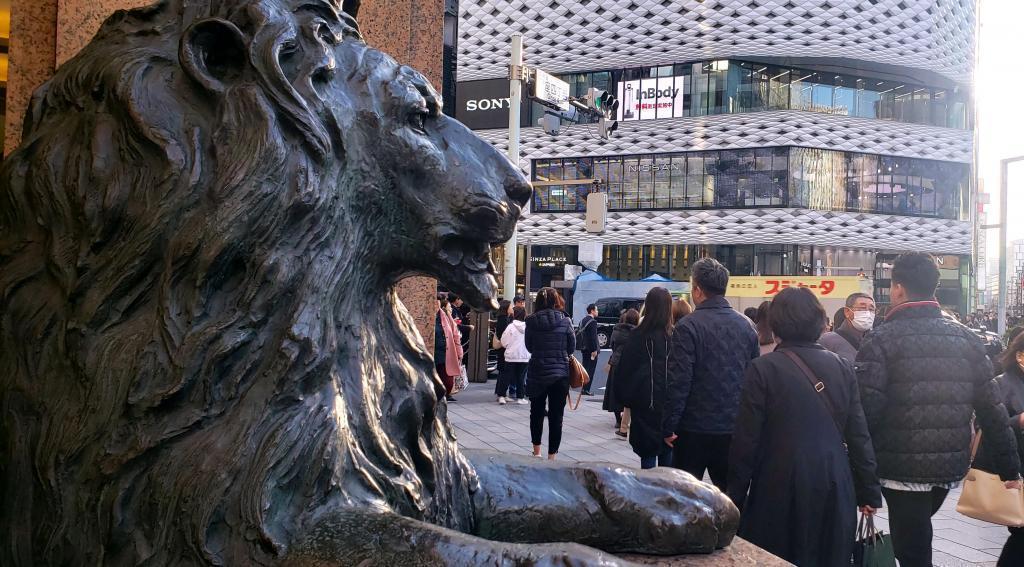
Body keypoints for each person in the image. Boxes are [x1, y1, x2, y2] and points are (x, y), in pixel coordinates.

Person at [857, 252, 1022, 567]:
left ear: (899, 289)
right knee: (917, 537)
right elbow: (992, 408)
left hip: (898, 466)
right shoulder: (966, 338)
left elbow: (867, 409)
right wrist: (1009, 469)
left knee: (912, 549)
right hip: (950, 465)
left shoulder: (881, 339)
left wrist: (859, 470)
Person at [728, 287, 882, 566]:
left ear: (776, 325)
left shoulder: (762, 369)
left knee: (776, 556)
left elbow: (745, 442)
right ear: (819, 323)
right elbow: (859, 433)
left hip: (777, 483)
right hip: (834, 482)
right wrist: (869, 491)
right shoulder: (842, 367)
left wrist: (734, 500)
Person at [664, 258, 759, 489]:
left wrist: (668, 426)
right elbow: (754, 379)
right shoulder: (747, 326)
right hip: (734, 428)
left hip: (692, 429)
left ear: (697, 289)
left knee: (685, 497)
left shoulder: (688, 327)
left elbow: (679, 381)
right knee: (731, 497)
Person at [972, 332, 1024, 566]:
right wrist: (1019, 421)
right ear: (1020, 356)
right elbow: (986, 425)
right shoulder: (1003, 383)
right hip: (1016, 470)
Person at [615, 287, 675, 469]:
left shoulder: (637, 335)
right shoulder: (674, 336)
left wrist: (628, 400)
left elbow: (625, 370)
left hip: (644, 405)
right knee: (668, 456)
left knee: (647, 456)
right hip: (669, 406)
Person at [524, 287, 575, 460]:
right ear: (556, 301)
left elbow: (529, 346)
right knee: (556, 416)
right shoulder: (565, 320)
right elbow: (571, 347)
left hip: (537, 371)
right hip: (560, 373)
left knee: (536, 412)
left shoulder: (531, 321)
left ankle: (536, 451)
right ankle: (552, 456)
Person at [603, 308, 640, 438]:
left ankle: (619, 420)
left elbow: (612, 347)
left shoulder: (616, 330)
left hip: (616, 362)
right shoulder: (637, 332)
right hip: (630, 364)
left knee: (614, 391)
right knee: (629, 391)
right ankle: (626, 420)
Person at [820, 292, 875, 362]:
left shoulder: (877, 341)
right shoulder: (827, 340)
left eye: (871, 309)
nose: (868, 313)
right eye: (862, 308)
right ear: (847, 312)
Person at [498, 307, 530, 406]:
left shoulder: (510, 327)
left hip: (511, 355)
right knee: (521, 377)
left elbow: (503, 341)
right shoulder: (528, 327)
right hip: (524, 355)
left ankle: (502, 396)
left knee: (506, 376)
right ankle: (520, 397)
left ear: (514, 315)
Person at [434, 294, 463, 402]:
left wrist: (459, 352)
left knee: (448, 382)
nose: (436, 303)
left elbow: (455, 334)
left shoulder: (445, 315)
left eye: (438, 301)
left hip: (445, 353)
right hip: (432, 353)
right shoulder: (426, 315)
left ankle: (443, 397)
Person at [578, 304, 600, 395]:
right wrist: (594, 350)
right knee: (591, 369)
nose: (597, 311)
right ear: (592, 311)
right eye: (596, 310)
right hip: (591, 349)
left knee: (585, 368)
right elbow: (593, 337)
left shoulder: (582, 320)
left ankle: (583, 388)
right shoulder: (592, 322)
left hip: (584, 348)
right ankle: (586, 389)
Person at [493, 299, 513, 403]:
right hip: (503, 348)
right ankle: (501, 394)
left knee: (503, 371)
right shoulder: (503, 319)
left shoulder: (506, 318)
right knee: (504, 371)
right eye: (511, 306)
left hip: (504, 348)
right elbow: (503, 335)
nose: (512, 308)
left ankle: (501, 393)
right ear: (506, 308)